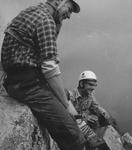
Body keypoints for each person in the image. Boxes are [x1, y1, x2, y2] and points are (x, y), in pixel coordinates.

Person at [0, 0, 86, 150]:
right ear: (58, 1)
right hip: (27, 85)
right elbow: (50, 69)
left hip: (19, 79)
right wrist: (67, 106)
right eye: (69, 9)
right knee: (73, 134)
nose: (69, 16)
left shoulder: (31, 11)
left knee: (64, 94)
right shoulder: (46, 20)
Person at [67, 70, 120, 149]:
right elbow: (69, 114)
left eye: (95, 85)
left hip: (88, 124)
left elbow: (96, 106)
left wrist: (107, 116)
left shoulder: (90, 94)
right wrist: (85, 117)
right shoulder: (71, 96)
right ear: (81, 84)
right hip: (76, 123)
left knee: (105, 118)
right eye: (90, 85)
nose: (93, 88)